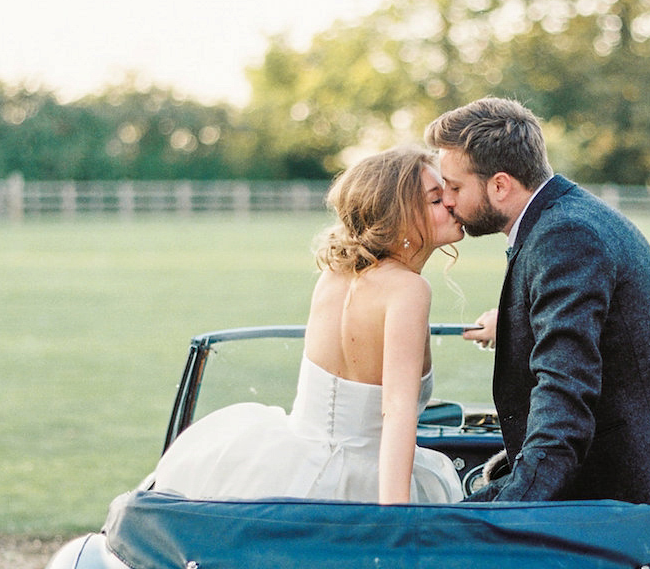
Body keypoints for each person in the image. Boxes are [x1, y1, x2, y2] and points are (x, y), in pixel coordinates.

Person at [425, 96, 650, 505]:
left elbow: (565, 390)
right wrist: (509, 325)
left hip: (649, 487)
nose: (448, 199)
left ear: (500, 185)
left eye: (454, 187)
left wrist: (509, 509)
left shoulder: (565, 236)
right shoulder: (563, 218)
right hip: (630, 466)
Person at [147, 147, 464, 505]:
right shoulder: (409, 289)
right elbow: (397, 411)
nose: (453, 203)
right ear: (399, 216)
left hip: (287, 463)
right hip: (366, 481)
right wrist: (395, 518)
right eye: (437, 199)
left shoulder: (334, 274)